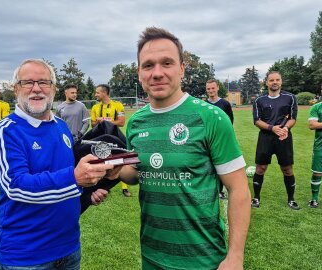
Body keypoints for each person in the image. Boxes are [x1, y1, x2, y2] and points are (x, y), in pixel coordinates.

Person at [118, 27, 251, 270]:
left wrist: (235, 257)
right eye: (148, 65)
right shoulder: (136, 122)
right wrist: (112, 170)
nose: (157, 73)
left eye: (166, 63)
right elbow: (137, 172)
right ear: (139, 73)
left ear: (181, 68)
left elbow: (239, 189)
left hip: (203, 259)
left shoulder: (211, 118)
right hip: (151, 256)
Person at [0, 59, 119, 269]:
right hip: (26, 257)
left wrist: (87, 191)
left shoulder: (61, 127)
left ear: (54, 89)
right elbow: (15, 186)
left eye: (44, 82)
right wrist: (75, 179)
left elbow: (66, 171)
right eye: (28, 82)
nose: (37, 89)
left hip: (69, 249)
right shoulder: (5, 130)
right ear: (16, 89)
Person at [251, 71, 300, 210]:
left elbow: (292, 118)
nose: (274, 82)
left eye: (277, 79)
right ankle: (256, 198)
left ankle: (291, 199)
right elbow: (256, 121)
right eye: (271, 80)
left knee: (287, 169)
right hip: (265, 138)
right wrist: (272, 128)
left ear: (281, 81)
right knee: (260, 168)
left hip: (284, 137)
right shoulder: (259, 100)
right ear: (266, 82)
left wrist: (285, 129)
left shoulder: (290, 98)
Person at [91, 84, 131, 197]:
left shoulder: (118, 106)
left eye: (97, 92)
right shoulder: (95, 107)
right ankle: (101, 187)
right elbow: (93, 124)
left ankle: (124, 188)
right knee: (101, 162)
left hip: (115, 138)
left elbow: (121, 122)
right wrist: (99, 122)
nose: (95, 94)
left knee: (120, 161)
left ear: (104, 93)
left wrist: (104, 121)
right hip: (100, 139)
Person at [206, 79, 234, 200]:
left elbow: (229, 122)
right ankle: (209, 189)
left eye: (213, 88)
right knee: (207, 165)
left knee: (220, 165)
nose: (211, 91)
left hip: (220, 139)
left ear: (217, 88)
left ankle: (221, 190)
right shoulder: (203, 104)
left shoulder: (225, 104)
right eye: (208, 89)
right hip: (206, 140)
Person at [308, 102, 322, 208]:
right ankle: (314, 198)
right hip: (320, 146)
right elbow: (312, 125)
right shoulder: (317, 107)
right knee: (317, 173)